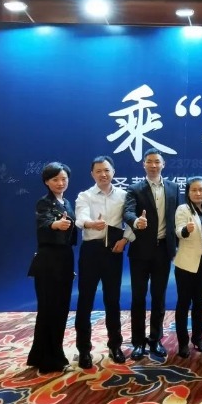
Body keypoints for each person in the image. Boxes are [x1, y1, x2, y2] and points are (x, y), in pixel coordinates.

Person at [74, 156, 134, 369]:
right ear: (92, 174)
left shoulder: (124, 195)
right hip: (91, 251)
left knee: (113, 300)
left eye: (106, 170)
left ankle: (115, 346)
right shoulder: (85, 195)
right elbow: (80, 218)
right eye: (98, 171)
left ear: (113, 172)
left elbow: (131, 220)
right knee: (85, 301)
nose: (103, 174)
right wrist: (91, 223)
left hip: (113, 250)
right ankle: (83, 350)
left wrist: (125, 240)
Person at [124, 148, 179, 361]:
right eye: (149, 161)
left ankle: (155, 340)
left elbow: (178, 217)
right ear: (144, 165)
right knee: (138, 298)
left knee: (159, 297)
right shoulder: (135, 189)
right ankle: (138, 342)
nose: (153, 165)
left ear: (163, 164)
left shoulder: (173, 188)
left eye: (157, 161)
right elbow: (128, 211)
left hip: (163, 250)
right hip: (140, 251)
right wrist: (136, 221)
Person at [27, 162, 76, 374]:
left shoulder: (67, 202)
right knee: (48, 309)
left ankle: (47, 353)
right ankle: (47, 359)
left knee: (61, 309)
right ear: (47, 181)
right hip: (48, 261)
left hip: (65, 259)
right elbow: (45, 222)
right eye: (55, 179)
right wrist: (55, 225)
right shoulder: (44, 202)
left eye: (64, 179)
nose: (60, 183)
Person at [174, 177, 202, 358]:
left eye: (201, 189)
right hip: (186, 264)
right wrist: (186, 230)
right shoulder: (183, 209)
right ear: (188, 192)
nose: (198, 193)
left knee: (199, 302)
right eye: (194, 190)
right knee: (184, 303)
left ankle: (198, 339)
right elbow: (178, 230)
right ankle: (183, 343)